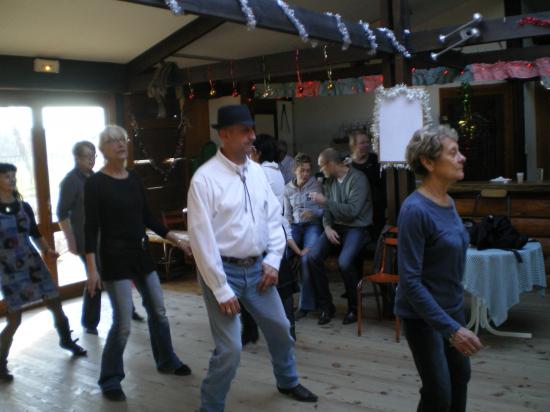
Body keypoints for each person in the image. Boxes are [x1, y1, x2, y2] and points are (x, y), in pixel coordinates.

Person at [187, 105, 318, 412]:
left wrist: (273, 260)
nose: (252, 136)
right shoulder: (204, 179)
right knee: (230, 348)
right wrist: (221, 289)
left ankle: (287, 380)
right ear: (225, 134)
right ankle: (210, 406)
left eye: (252, 130)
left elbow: (274, 218)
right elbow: (201, 239)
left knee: (281, 329)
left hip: (259, 269)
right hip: (223, 272)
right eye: (245, 131)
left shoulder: (257, 172)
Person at [84, 125, 191, 402]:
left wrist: (176, 239)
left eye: (122, 139)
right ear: (103, 149)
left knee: (159, 311)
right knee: (123, 323)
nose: (120, 144)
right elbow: (90, 229)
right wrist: (92, 270)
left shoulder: (133, 178)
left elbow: (148, 217)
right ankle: (110, 379)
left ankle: (167, 360)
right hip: (114, 259)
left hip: (141, 255)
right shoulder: (95, 184)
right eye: (113, 141)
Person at [396, 125, 483, 412]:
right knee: (438, 393)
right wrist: (452, 330)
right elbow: (410, 281)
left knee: (460, 377)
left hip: (452, 307)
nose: (462, 158)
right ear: (429, 162)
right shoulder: (414, 210)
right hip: (422, 316)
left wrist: (455, 320)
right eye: (453, 153)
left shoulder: (449, 202)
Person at [0, 163, 86, 382]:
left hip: (32, 264)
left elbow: (35, 234)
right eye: (7, 176)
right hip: (8, 270)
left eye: (13, 176)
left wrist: (47, 250)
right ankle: (0, 363)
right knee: (14, 319)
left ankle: (66, 340)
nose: (12, 179)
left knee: (55, 304)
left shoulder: (24, 206)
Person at [58, 141, 144, 335]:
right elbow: (61, 214)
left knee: (118, 272)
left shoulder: (96, 178)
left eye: (93, 156)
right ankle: (90, 323)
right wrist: (70, 240)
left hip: (106, 237)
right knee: (95, 278)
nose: (91, 160)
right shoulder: (71, 181)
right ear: (77, 158)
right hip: (86, 240)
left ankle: (127, 310)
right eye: (87, 156)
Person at [308, 148, 373, 325]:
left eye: (322, 166)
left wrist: (325, 202)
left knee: (344, 262)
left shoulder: (358, 179)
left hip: (357, 227)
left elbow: (352, 212)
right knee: (312, 257)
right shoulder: (330, 181)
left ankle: (354, 309)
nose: (320, 170)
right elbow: (327, 211)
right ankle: (326, 307)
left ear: (330, 164)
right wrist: (327, 227)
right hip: (335, 227)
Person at [245, 134, 299, 342]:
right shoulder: (275, 171)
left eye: (251, 150)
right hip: (277, 232)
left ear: (256, 152)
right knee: (279, 283)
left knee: (259, 282)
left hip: (264, 234)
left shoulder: (259, 172)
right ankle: (286, 330)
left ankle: (262, 331)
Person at [283, 153, 323, 319]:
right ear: (295, 170)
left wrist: (313, 213)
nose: (306, 174)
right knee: (283, 255)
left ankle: (305, 305)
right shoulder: (287, 189)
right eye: (302, 170)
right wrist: (288, 228)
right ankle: (286, 299)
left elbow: (325, 209)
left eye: (308, 170)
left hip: (312, 225)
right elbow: (287, 216)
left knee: (306, 259)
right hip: (295, 226)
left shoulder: (316, 185)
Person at [348, 130, 386, 239]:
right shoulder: (347, 163)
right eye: (362, 143)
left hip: (376, 209)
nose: (366, 145)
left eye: (367, 142)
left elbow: (383, 184)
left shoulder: (375, 160)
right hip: (356, 210)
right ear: (353, 145)